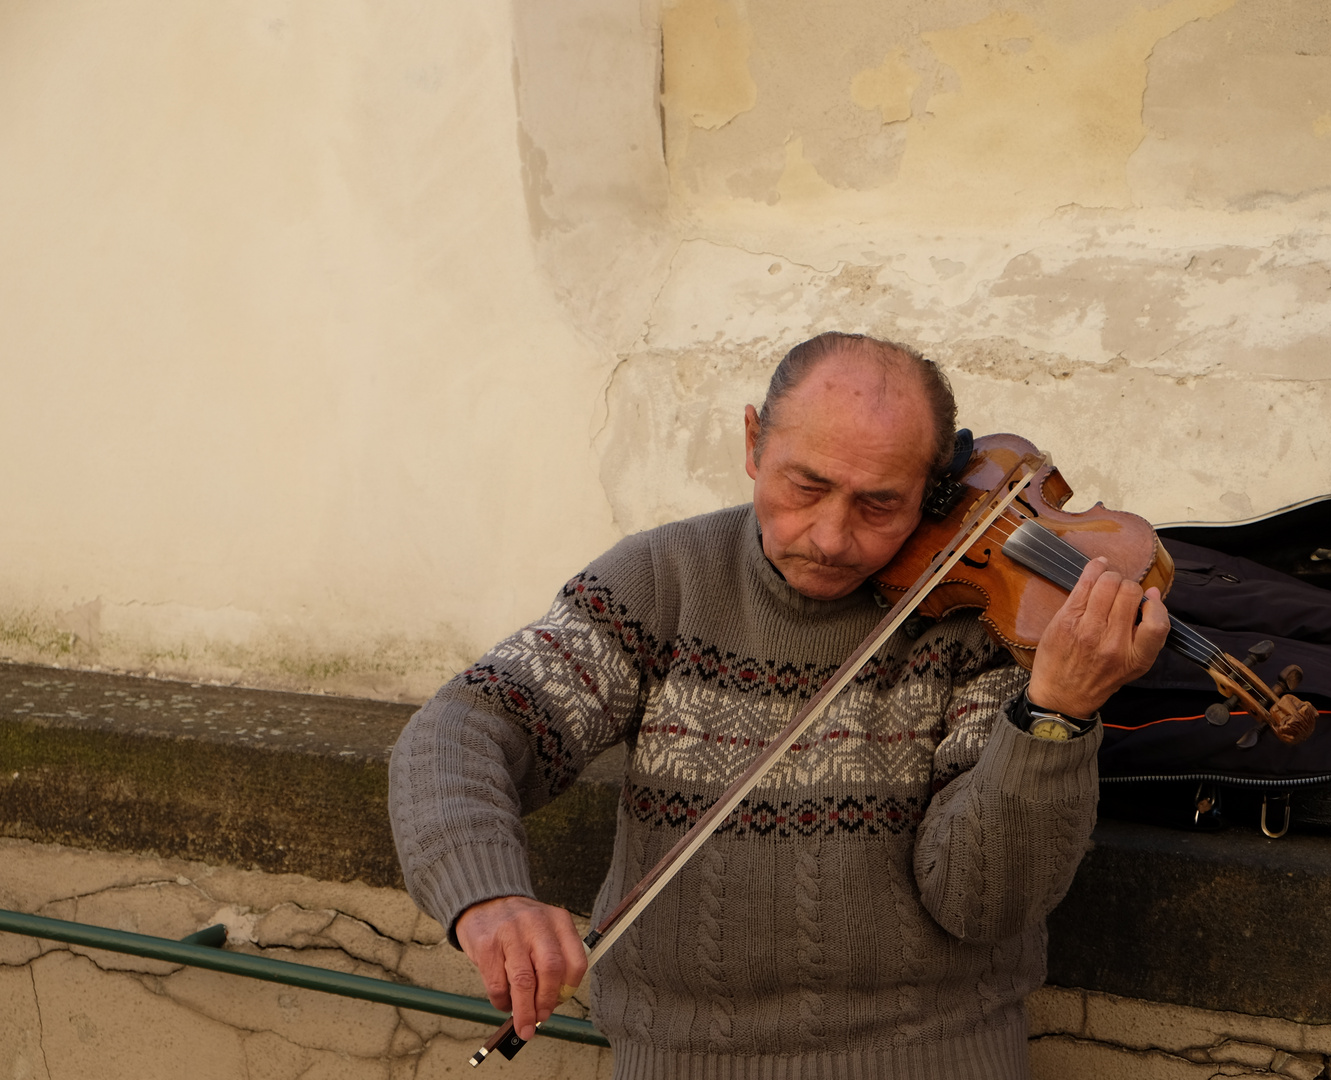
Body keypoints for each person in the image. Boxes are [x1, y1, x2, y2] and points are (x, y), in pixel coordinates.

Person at [388, 331, 1170, 1079]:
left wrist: (1055, 717)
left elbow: (981, 901)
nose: (829, 537)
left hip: (935, 1059)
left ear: (932, 490)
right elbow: (466, 727)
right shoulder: (662, 582)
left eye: (879, 505)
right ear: (754, 442)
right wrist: (486, 896)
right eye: (807, 486)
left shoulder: (977, 620)